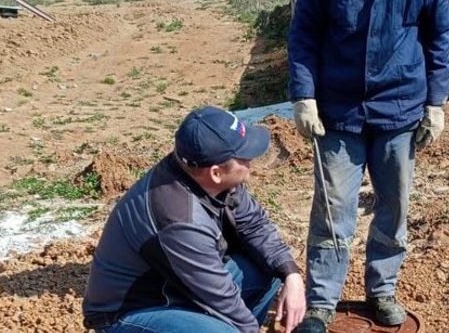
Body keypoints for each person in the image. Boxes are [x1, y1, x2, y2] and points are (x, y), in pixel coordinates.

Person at [288, 0, 449, 332]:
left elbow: (438, 38)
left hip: (400, 108)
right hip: (339, 110)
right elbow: (304, 34)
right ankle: (322, 301)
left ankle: (382, 290)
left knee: (394, 205)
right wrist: (304, 94)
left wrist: (436, 102)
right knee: (334, 208)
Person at [82, 106, 306, 333]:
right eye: (244, 157)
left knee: (267, 268)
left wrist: (291, 274)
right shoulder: (179, 219)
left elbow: (255, 225)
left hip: (180, 288)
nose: (250, 161)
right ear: (216, 173)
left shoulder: (209, 175)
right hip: (131, 314)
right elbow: (220, 299)